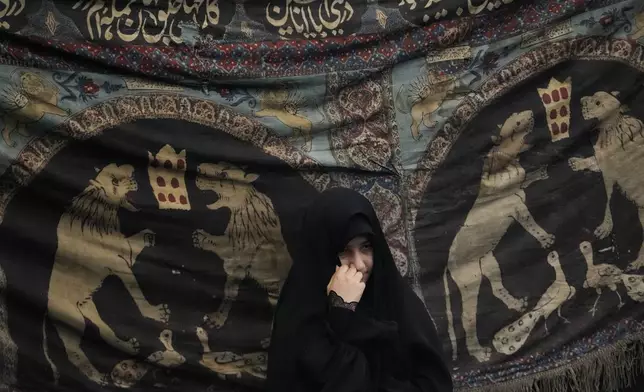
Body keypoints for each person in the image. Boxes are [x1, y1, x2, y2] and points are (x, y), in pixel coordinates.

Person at [267, 187, 452, 392]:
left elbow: (435, 384)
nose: (360, 265)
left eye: (366, 247)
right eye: (344, 251)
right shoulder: (300, 316)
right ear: (323, 252)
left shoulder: (397, 302)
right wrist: (342, 313)